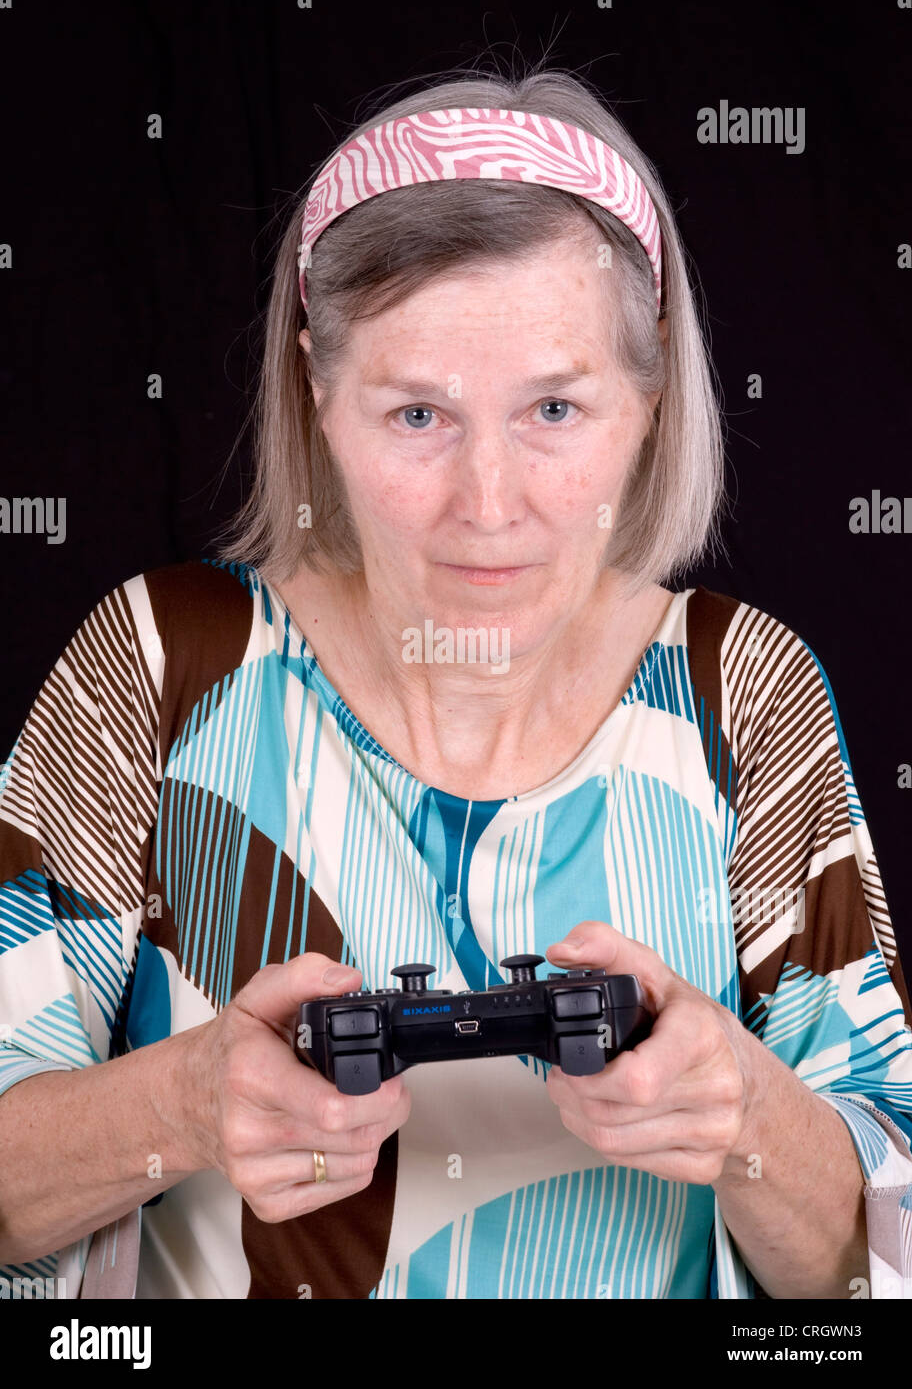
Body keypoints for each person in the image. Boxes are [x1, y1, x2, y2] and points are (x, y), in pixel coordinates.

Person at [2, 64, 911, 1302]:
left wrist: (749, 1117)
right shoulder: (162, 662)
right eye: (416, 415)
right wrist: (181, 1103)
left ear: (648, 400)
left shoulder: (742, 691)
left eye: (554, 406)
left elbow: (877, 1251)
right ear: (317, 387)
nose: (489, 509)